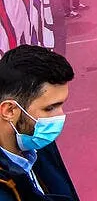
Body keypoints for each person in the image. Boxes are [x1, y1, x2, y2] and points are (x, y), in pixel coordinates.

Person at [0, 45, 79, 201]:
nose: (60, 116)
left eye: (61, 105)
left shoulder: (36, 138)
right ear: (9, 110)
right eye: (49, 108)